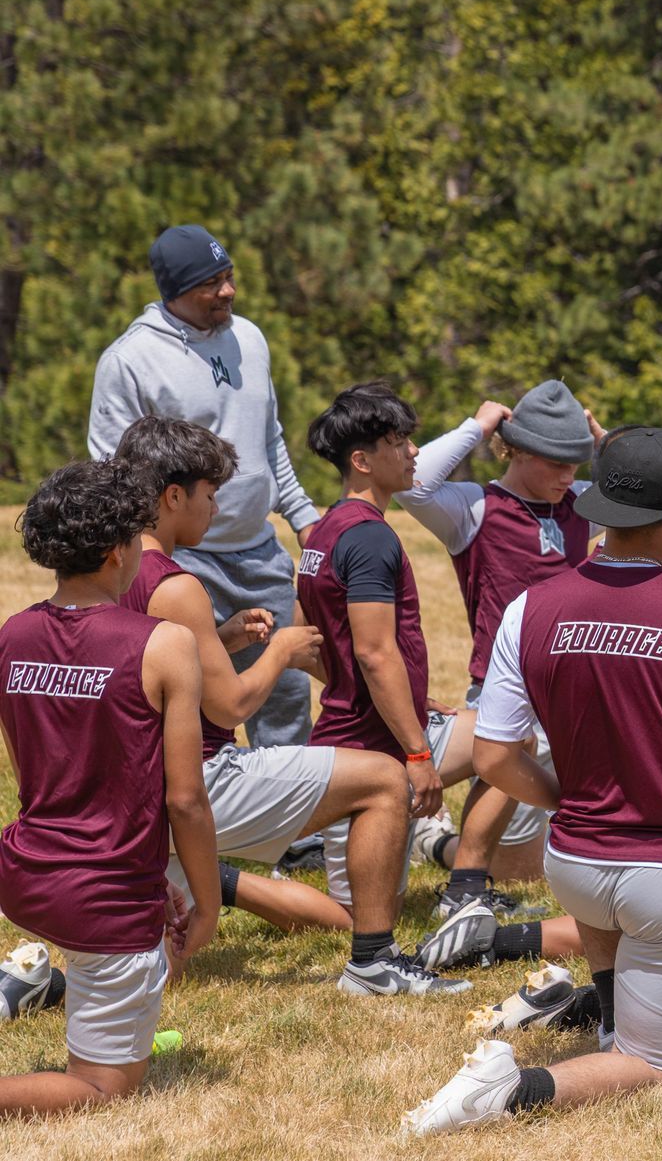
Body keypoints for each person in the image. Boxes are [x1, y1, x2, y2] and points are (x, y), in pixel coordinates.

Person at [402, 427, 662, 1135]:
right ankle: (510, 1088)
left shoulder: (532, 606)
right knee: (658, 1066)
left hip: (574, 862)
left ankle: (607, 1018)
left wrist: (562, 798)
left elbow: (495, 756)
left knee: (618, 977)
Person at [114, 416, 446, 969]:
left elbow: (146, 669)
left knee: (151, 969)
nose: (215, 508)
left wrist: (221, 639)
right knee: (385, 778)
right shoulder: (176, 584)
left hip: (135, 787)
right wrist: (281, 652)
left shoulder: (118, 568)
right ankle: (375, 963)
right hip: (199, 780)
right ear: (174, 496)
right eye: (210, 495)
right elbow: (231, 705)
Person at [0, 459, 218, 1115]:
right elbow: (185, 798)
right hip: (103, 898)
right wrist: (206, 904)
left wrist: (152, 877)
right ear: (118, 549)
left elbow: (38, 772)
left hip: (24, 873)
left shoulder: (11, 635)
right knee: (102, 1089)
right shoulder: (165, 644)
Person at [87, 225, 320, 748]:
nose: (228, 291)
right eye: (211, 283)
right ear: (174, 291)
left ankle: (289, 803)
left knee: (284, 699)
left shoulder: (250, 338)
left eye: (229, 276)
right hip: (182, 563)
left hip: (260, 553)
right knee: (187, 708)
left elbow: (269, 438)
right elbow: (113, 473)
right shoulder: (129, 361)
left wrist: (304, 517)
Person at [293, 384, 491, 991]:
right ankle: (226, 884)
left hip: (360, 731)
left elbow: (312, 644)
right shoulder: (371, 536)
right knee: (355, 915)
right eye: (398, 442)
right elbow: (375, 654)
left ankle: (466, 878)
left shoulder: (323, 531)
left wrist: (408, 698)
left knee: (507, 737)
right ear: (362, 460)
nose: (413, 452)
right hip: (369, 747)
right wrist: (417, 752)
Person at [396, 381, 604, 912]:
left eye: (576, 463)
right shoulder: (475, 507)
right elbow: (411, 486)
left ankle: (444, 848)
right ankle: (441, 851)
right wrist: (478, 426)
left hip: (575, 693)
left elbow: (647, 493)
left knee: (532, 867)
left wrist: (601, 441)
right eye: (557, 463)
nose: (569, 476)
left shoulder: (581, 501)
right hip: (505, 689)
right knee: (514, 867)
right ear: (518, 450)